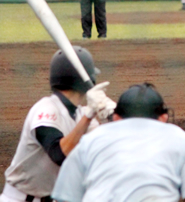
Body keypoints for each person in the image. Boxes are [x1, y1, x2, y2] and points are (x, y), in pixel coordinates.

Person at [51, 83, 185, 202]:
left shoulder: (91, 141)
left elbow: (67, 197)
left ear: (116, 118)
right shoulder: (181, 140)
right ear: (163, 117)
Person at [0, 46, 116, 202]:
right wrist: (89, 115)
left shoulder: (81, 115)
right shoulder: (46, 108)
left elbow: (107, 150)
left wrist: (111, 117)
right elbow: (58, 153)